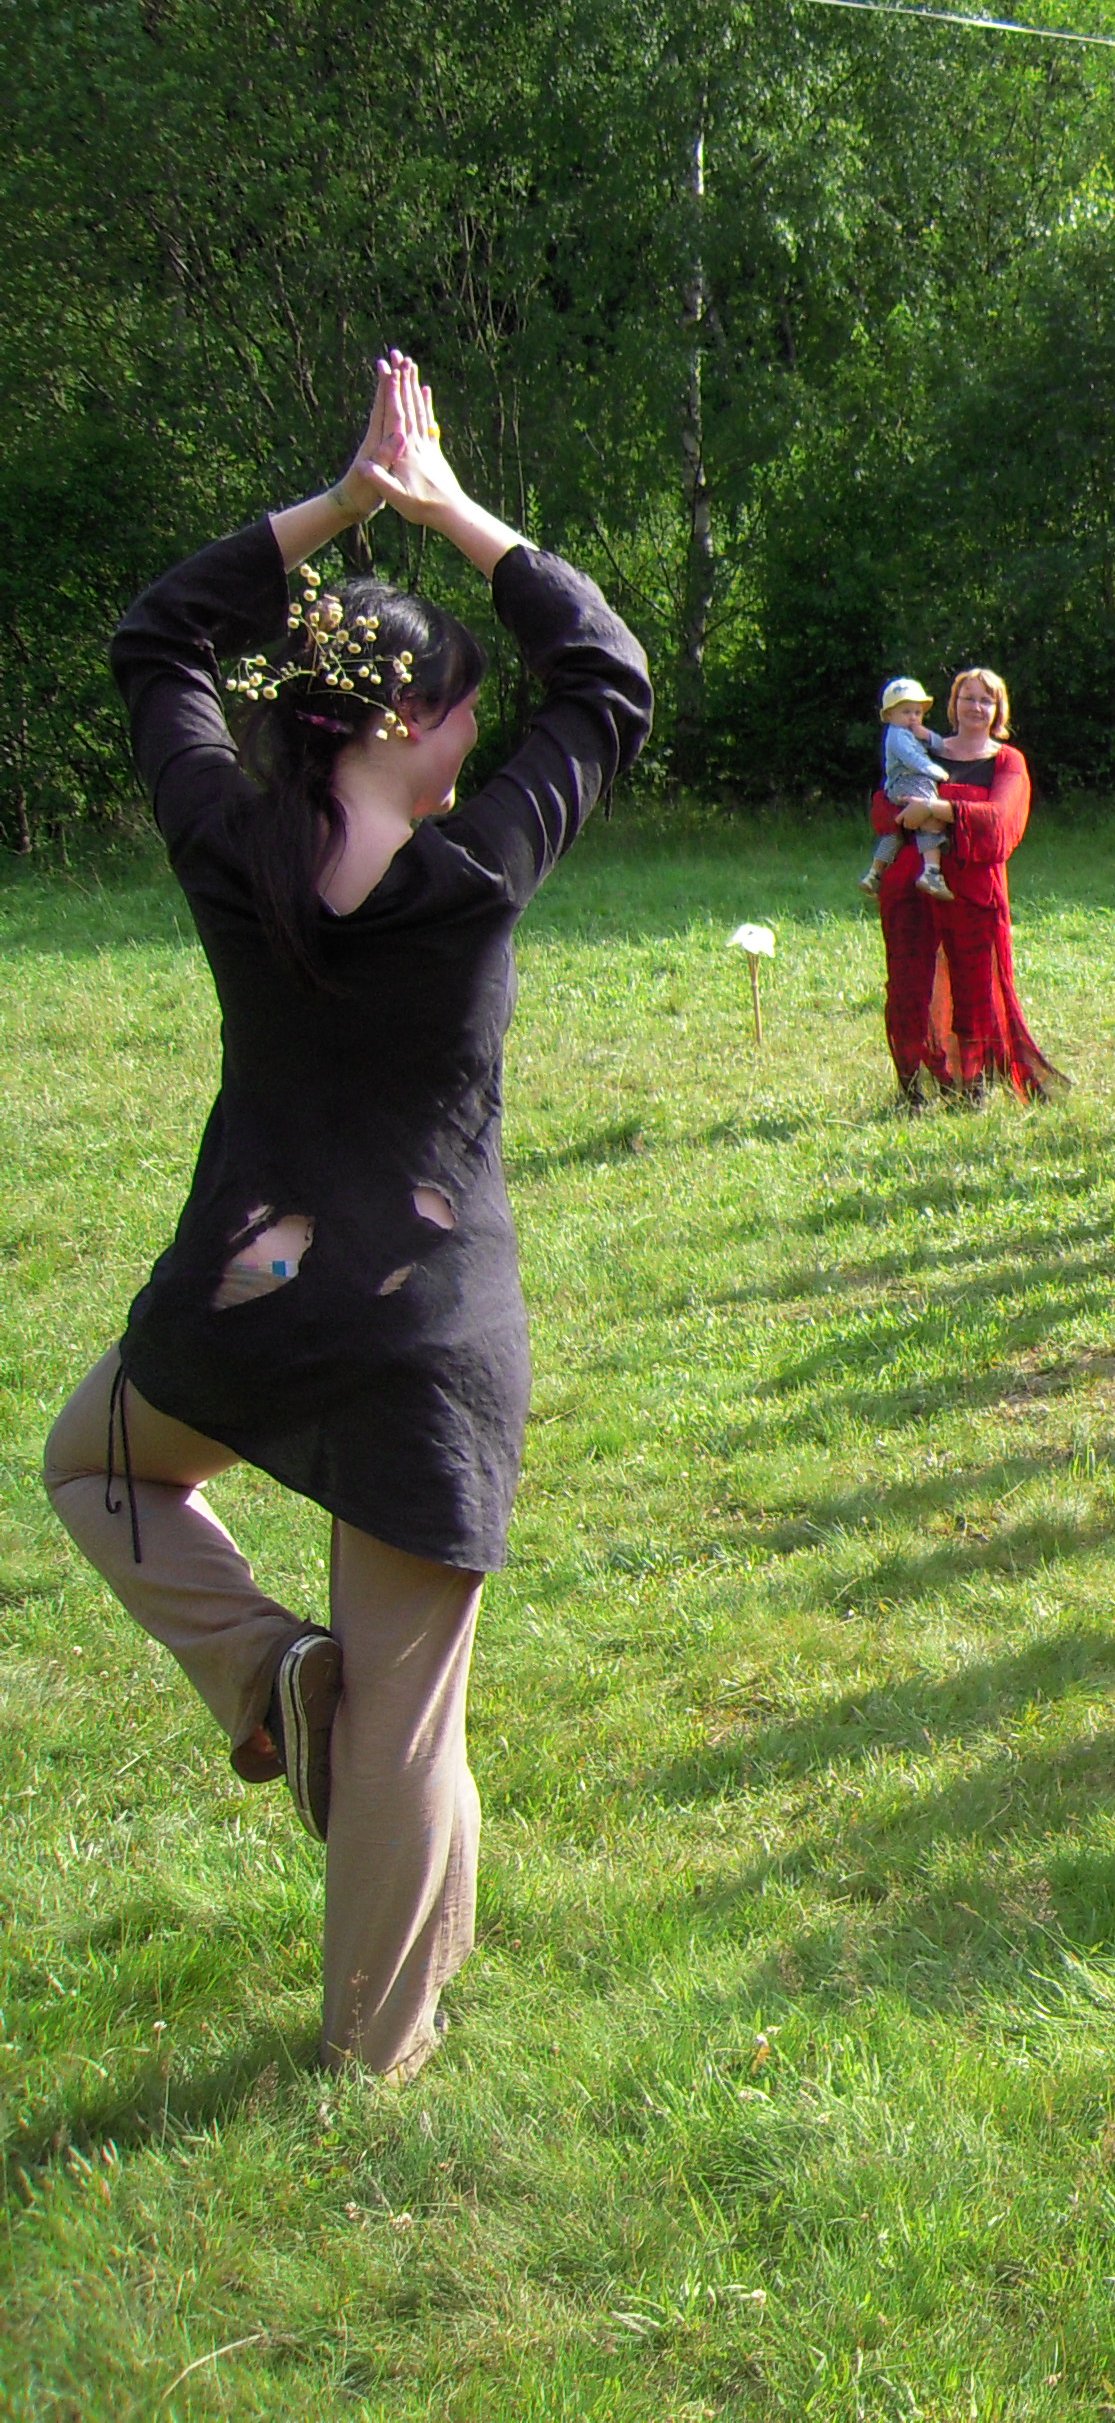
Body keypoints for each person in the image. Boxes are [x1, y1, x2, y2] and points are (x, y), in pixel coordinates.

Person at [38, 351, 651, 2077]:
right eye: (459, 709)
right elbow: (607, 673)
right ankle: (377, 2059)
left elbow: (156, 639)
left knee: (92, 1465)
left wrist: (337, 507)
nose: (478, 735)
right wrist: (449, 513)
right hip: (429, 1336)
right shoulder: (475, 872)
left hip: (248, 1303)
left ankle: (268, 1675)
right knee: (405, 1716)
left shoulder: (229, 844)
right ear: (402, 722)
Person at [874, 666, 1059, 1100]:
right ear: (953, 704)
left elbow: (1000, 823)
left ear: (998, 709)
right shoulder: (923, 749)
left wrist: (935, 809)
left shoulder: (1007, 762)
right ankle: (915, 1087)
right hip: (912, 887)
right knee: (908, 987)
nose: (976, 706)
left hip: (975, 892)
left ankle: (972, 1085)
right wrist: (923, 811)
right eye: (967, 697)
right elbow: (884, 809)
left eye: (985, 699)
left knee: (975, 988)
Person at [864, 677, 955, 900]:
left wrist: (927, 735)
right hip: (909, 781)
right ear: (889, 715)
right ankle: (931, 872)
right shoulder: (897, 735)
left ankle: (875, 873)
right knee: (930, 817)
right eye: (906, 712)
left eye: (917, 712)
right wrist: (936, 772)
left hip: (904, 784)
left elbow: (940, 745)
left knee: (896, 833)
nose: (913, 717)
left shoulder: (911, 732)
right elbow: (912, 758)